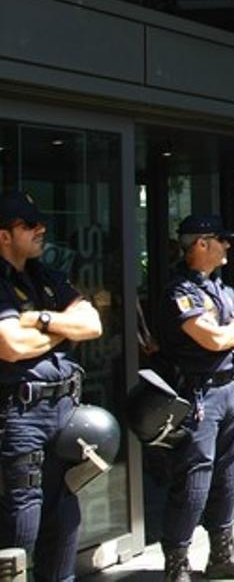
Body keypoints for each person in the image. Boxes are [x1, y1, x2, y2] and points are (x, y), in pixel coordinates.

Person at [0, 192, 103, 582]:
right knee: (20, 526)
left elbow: (92, 324)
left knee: (64, 521)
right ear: (4, 236)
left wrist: (40, 320)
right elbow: (11, 346)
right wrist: (62, 328)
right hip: (18, 415)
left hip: (64, 413)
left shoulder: (45, 276)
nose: (40, 229)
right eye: (28, 225)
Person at [155, 215, 234, 580]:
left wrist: (228, 330)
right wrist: (229, 330)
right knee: (194, 478)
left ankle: (222, 554)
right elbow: (214, 340)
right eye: (222, 239)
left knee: (230, 471)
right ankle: (177, 564)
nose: (228, 245)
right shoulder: (180, 291)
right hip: (199, 392)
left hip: (228, 388)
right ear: (201, 244)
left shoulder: (221, 289)